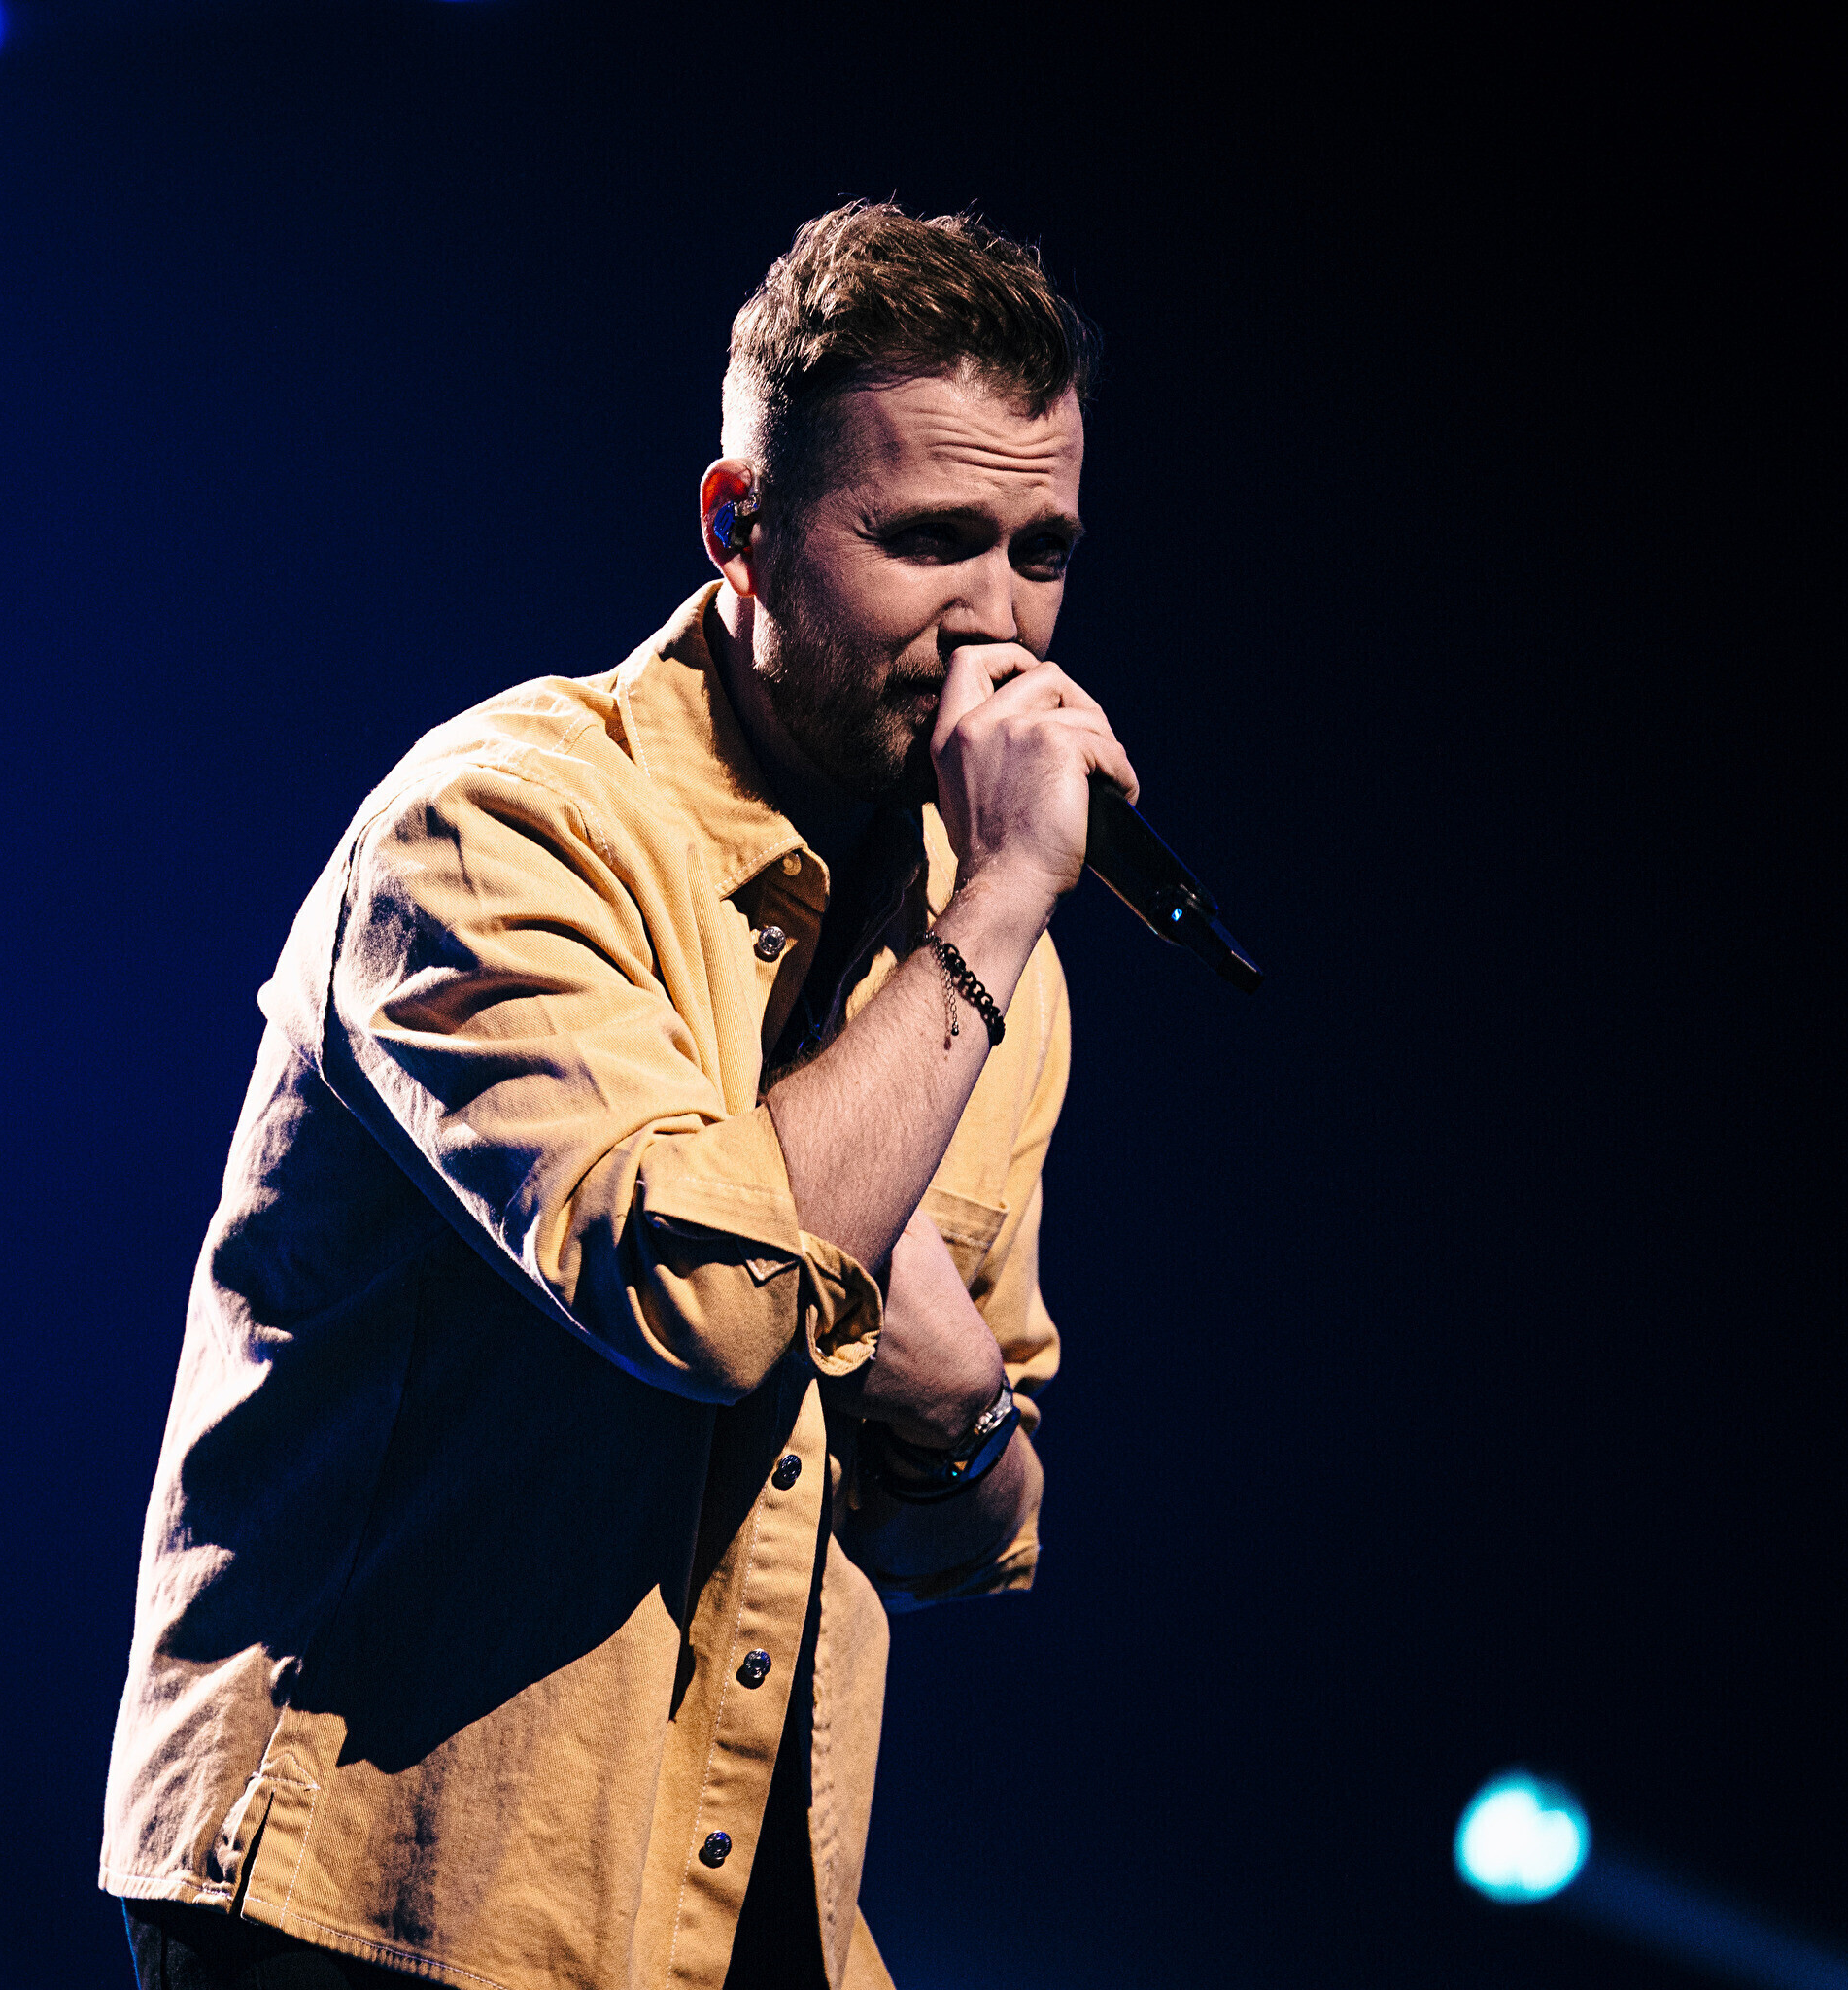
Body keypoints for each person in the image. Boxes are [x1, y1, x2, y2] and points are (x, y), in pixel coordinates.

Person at [102, 202, 1130, 1990]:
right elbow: (711, 1310)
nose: (998, 629)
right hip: (383, 1903)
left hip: (729, 1920)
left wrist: (960, 1403)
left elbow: (969, 1533)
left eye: (1039, 553)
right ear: (740, 525)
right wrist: (1003, 906)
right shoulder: (503, 825)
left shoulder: (980, 958)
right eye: (927, 542)